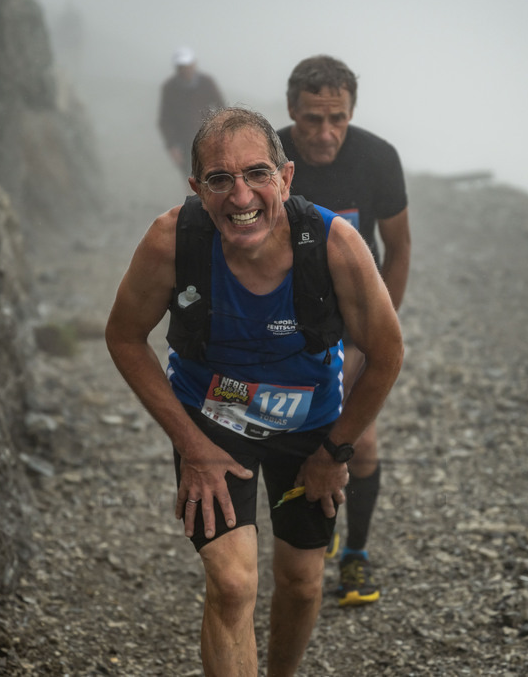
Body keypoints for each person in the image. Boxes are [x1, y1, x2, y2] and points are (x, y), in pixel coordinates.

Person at [105, 107, 403, 676]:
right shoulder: (173, 241)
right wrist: (192, 446)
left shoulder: (333, 245)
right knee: (234, 582)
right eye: (220, 179)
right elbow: (123, 336)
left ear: (286, 178)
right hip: (211, 426)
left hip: (310, 429)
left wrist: (335, 452)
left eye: (257, 174)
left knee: (301, 581)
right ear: (197, 188)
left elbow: (387, 355)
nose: (240, 196)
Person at [277, 55, 411, 607]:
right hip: (286, 322)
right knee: (294, 434)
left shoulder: (378, 159)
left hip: (356, 322)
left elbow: (398, 247)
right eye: (312, 119)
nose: (326, 133)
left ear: (352, 112)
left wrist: (377, 334)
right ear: (291, 112)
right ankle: (313, 539)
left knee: (360, 439)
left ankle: (355, 554)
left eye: (338, 118)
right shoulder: (271, 158)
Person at [158, 46, 225, 176]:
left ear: (194, 64)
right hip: (184, 143)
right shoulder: (170, 88)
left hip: (209, 139)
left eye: (188, 65)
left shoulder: (207, 83)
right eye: (181, 66)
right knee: (191, 179)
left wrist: (222, 134)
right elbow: (165, 120)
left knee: (215, 175)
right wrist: (172, 146)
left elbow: (221, 109)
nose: (185, 70)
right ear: (176, 68)